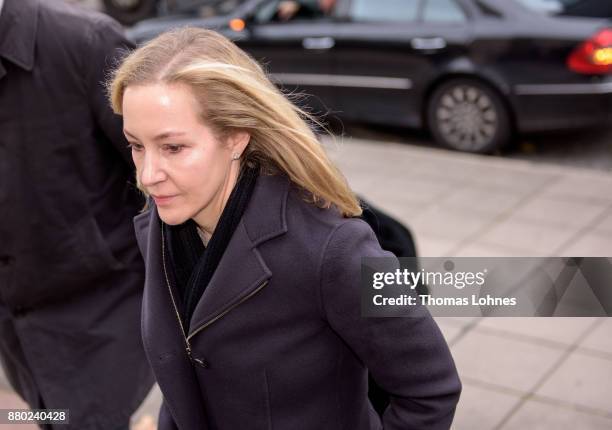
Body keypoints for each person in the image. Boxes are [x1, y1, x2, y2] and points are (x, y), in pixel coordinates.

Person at [109, 27, 461, 429]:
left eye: (173, 148)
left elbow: (430, 388)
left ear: (237, 137)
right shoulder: (162, 220)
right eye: (136, 145)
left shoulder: (334, 249)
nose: (148, 175)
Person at [0, 0, 153, 428]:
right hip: (18, 321)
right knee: (53, 416)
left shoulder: (86, 43)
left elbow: (161, 175)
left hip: (100, 308)